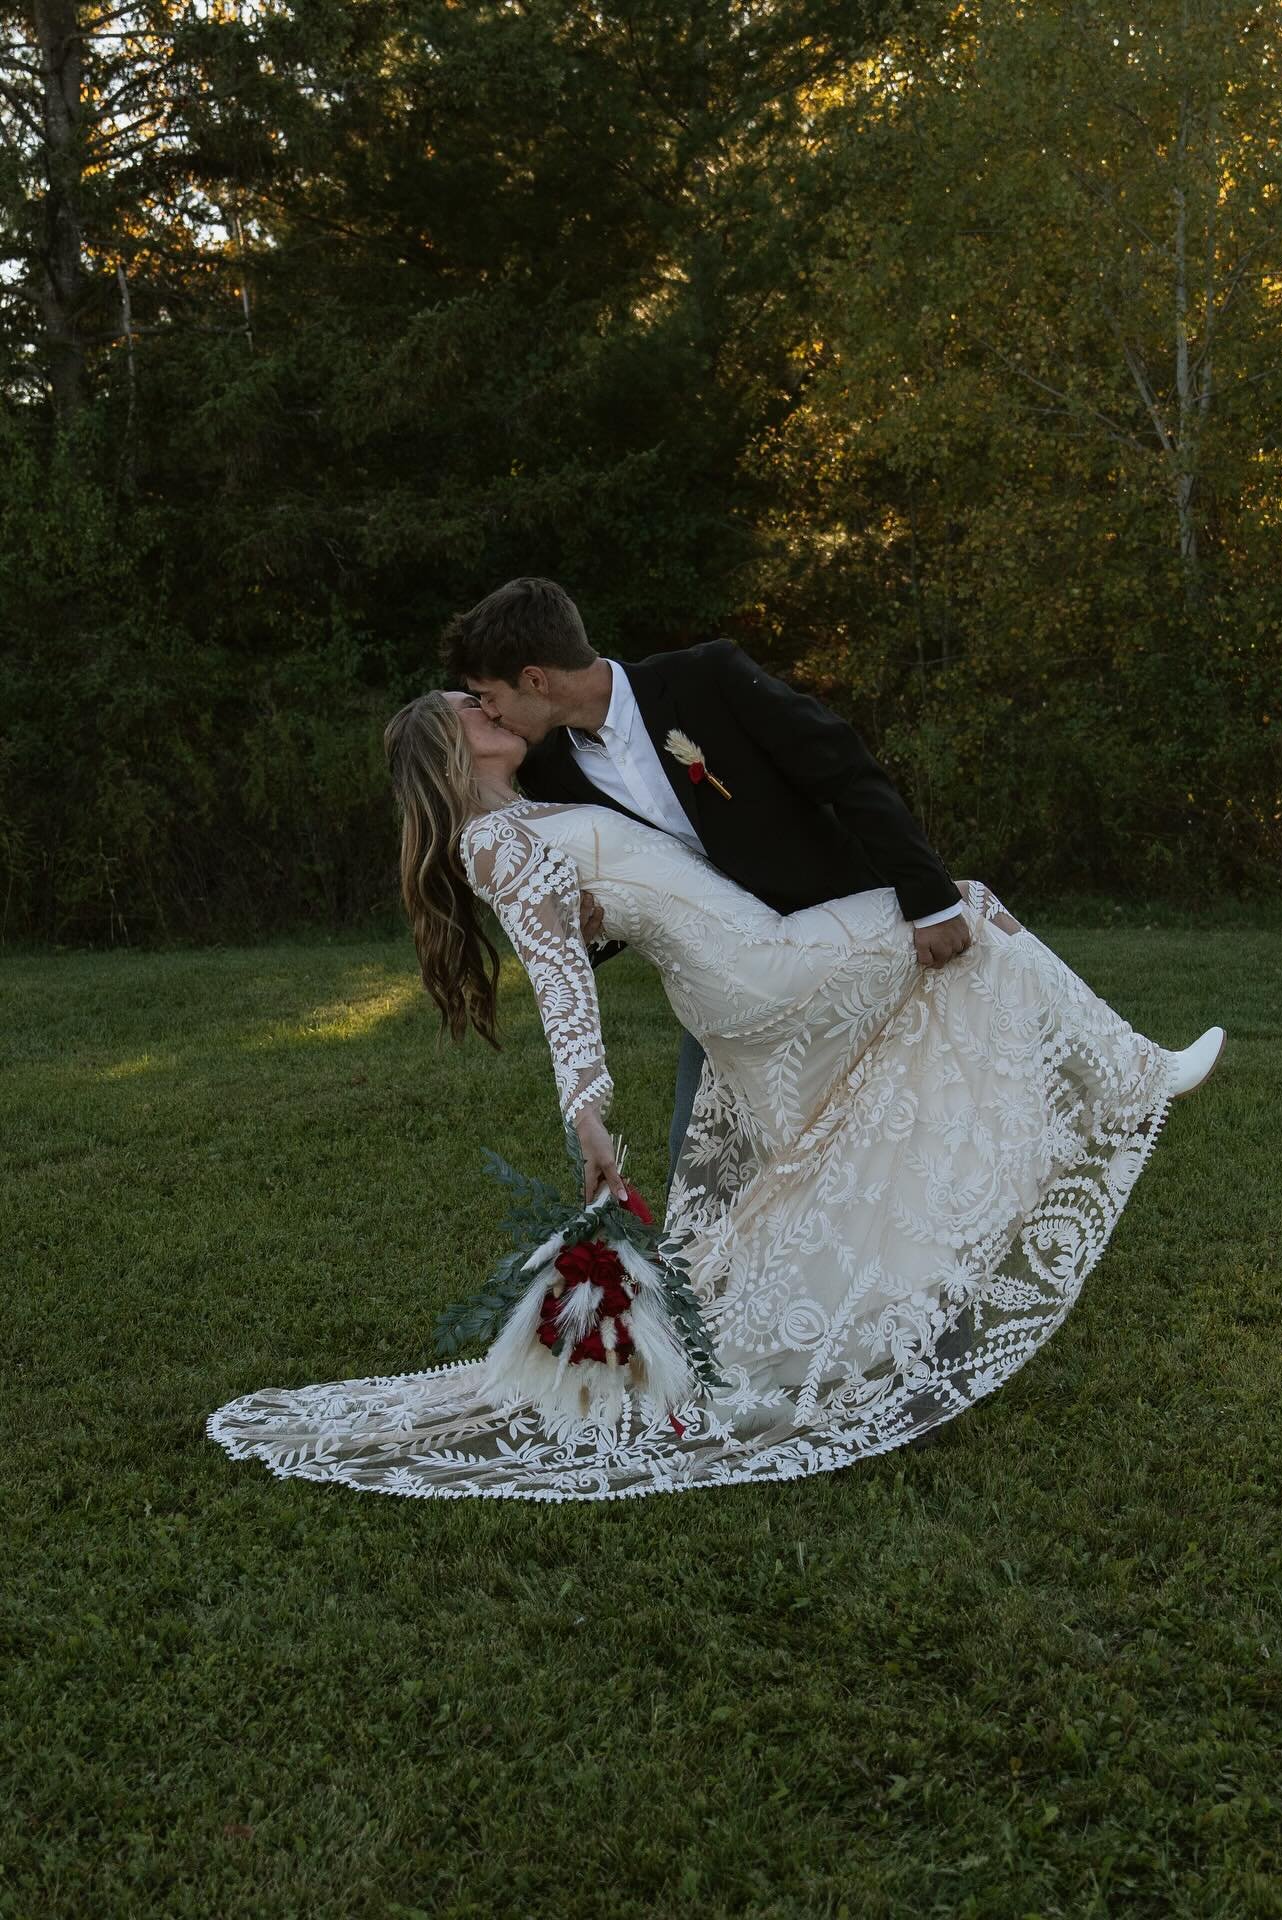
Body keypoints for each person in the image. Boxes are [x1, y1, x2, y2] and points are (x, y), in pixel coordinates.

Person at [205, 683, 1226, 1505]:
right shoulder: (495, 845)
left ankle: (853, 1332)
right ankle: (1138, 1074)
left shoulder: (525, 813)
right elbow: (558, 980)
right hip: (757, 967)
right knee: (968, 911)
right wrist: (589, 1109)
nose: (492, 709)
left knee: (814, 1154)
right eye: (471, 710)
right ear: (451, 750)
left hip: (736, 976)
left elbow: (603, 907)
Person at [442, 577, 976, 1192]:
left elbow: (846, 772)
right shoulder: (546, 769)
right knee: (704, 1172)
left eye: (487, 696)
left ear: (535, 680)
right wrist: (592, 924)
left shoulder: (707, 679)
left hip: (836, 926)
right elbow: (634, 884)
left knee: (901, 1117)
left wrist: (930, 900)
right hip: (723, 981)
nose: (487, 712)